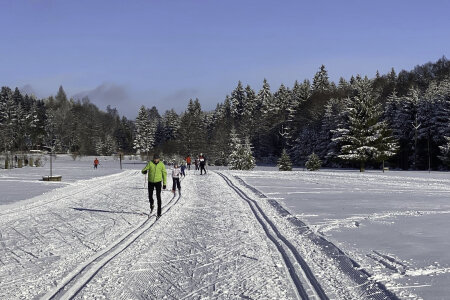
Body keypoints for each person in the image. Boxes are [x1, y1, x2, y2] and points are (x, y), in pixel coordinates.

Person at [142, 154, 167, 219]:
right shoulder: (150, 163)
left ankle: (159, 213)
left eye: (157, 159)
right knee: (150, 195)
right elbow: (144, 169)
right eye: (155, 159)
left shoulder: (161, 164)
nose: (156, 160)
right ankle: (152, 204)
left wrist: (164, 184)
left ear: (159, 159)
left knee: (158, 197)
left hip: (158, 182)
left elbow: (164, 174)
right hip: (150, 182)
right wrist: (144, 171)